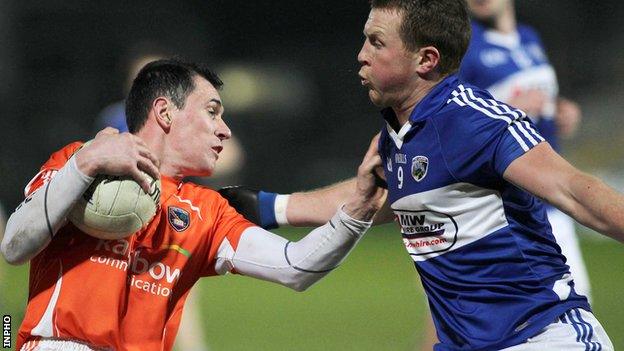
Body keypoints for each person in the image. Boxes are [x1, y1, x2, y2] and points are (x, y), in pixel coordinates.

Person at [218, 0, 622, 349]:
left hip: (539, 338)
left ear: (426, 59)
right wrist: (268, 207)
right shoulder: (398, 135)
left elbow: (574, 191)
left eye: (377, 42)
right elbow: (385, 199)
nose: (361, 54)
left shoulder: (475, 121)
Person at [0, 59, 386, 351]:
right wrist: (84, 165)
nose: (225, 129)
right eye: (212, 111)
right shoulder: (77, 163)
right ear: (166, 113)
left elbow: (297, 266)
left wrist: (359, 210)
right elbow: (14, 246)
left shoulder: (209, 209)